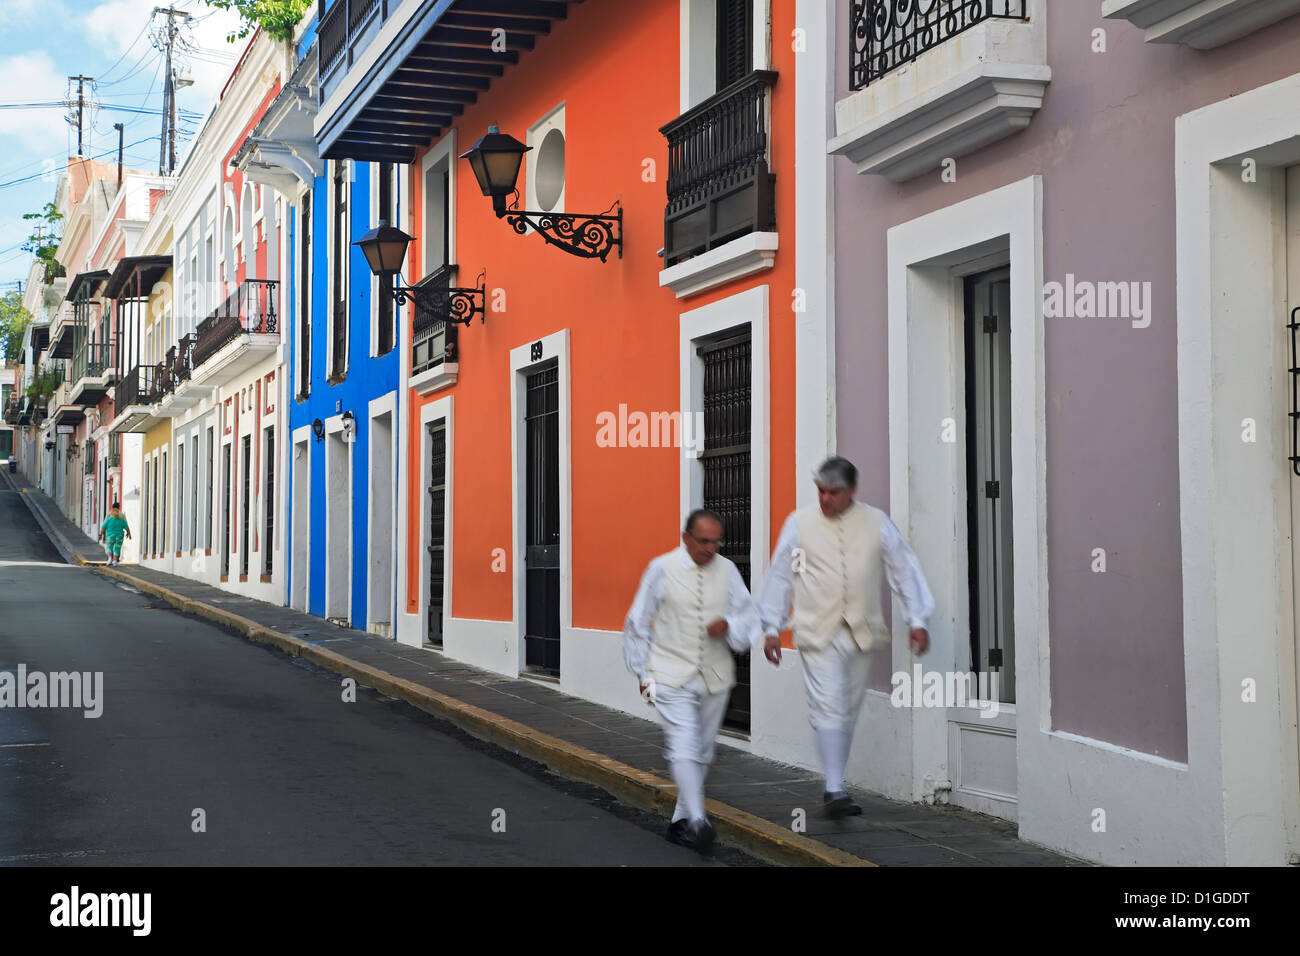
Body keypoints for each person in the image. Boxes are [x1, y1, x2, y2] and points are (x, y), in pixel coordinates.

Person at [757, 456, 935, 818]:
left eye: (833, 492)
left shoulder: (877, 523)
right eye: (820, 491)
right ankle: (834, 789)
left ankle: (835, 784)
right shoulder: (799, 524)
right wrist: (771, 627)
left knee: (847, 708)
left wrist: (917, 619)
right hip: (815, 629)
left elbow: (904, 569)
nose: (825, 499)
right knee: (828, 704)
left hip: (861, 631)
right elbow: (779, 575)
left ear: (852, 490)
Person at [622, 508, 760, 853]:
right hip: (668, 674)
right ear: (686, 538)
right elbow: (638, 623)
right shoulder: (661, 569)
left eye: (716, 542)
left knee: (702, 751)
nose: (711, 549)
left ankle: (680, 821)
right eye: (704, 541)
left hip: (714, 674)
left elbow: (748, 617)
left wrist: (729, 626)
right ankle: (699, 822)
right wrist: (642, 672)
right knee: (683, 741)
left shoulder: (727, 571)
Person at [98, 501, 131, 567]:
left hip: (110, 534)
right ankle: (115, 560)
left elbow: (104, 526)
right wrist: (129, 534)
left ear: (112, 508)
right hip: (119, 535)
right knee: (117, 547)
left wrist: (102, 535)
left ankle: (110, 559)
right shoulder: (122, 515)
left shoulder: (109, 515)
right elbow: (126, 525)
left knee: (109, 546)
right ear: (119, 507)